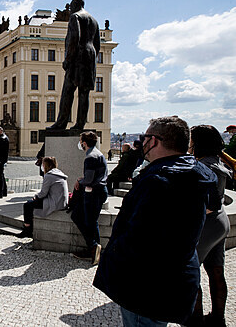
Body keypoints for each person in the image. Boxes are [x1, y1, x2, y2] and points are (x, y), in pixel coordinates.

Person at [93, 116, 217, 326]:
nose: (142, 143)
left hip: (146, 285)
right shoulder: (199, 172)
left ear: (155, 141)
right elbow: (212, 208)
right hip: (176, 278)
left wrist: (113, 262)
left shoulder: (158, 181)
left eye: (145, 137)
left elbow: (137, 238)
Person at [187, 125, 231, 327]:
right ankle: (218, 318)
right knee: (216, 271)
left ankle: (195, 320)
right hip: (221, 224)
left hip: (206, 225)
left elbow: (209, 204)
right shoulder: (218, 162)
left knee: (190, 272)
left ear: (197, 142)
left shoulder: (202, 167)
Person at [48, 0, 100, 130]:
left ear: (74, 5)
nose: (70, 10)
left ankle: (62, 122)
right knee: (84, 93)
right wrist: (91, 58)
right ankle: (80, 124)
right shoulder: (94, 21)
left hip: (78, 56)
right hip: (90, 56)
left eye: (71, 7)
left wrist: (68, 59)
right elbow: (97, 45)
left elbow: (74, 38)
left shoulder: (75, 17)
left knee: (68, 91)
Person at [71, 131, 108, 265]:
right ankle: (93, 248)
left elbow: (89, 180)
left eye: (81, 141)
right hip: (97, 191)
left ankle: (93, 248)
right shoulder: (97, 153)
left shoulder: (91, 157)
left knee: (90, 222)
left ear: (84, 143)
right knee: (79, 216)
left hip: (93, 193)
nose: (80, 144)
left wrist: (80, 181)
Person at [17, 157, 68, 238]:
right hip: (60, 202)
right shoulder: (58, 173)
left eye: (42, 164)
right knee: (32, 204)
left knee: (27, 205)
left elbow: (43, 193)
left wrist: (36, 196)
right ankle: (29, 228)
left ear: (45, 165)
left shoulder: (49, 175)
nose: (42, 166)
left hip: (55, 203)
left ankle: (27, 229)